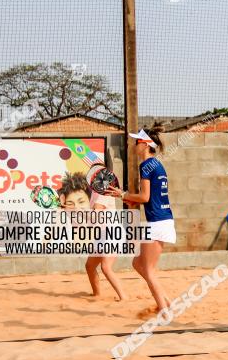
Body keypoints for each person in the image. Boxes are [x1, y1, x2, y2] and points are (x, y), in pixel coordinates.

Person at [107, 126, 173, 312]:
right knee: (138, 264)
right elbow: (148, 198)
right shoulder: (157, 164)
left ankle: (164, 312)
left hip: (159, 223)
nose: (134, 146)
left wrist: (123, 195)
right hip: (162, 221)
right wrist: (129, 199)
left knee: (149, 270)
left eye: (136, 142)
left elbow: (144, 197)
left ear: (144, 144)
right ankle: (166, 302)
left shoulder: (146, 165)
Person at [57, 172, 128, 300]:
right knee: (89, 266)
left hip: (113, 233)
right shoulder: (92, 194)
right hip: (102, 234)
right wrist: (65, 205)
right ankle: (97, 294)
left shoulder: (103, 194)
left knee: (106, 267)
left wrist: (74, 209)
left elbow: (95, 215)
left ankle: (124, 297)